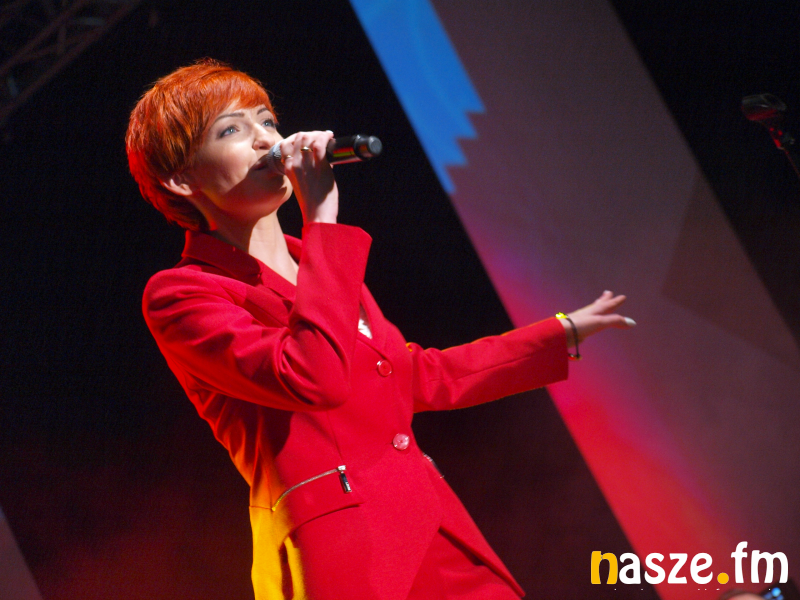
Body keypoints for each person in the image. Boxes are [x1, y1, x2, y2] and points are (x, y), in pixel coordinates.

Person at [126, 59, 636, 600]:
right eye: (232, 130)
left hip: (436, 532)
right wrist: (322, 221)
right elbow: (312, 378)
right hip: (346, 557)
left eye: (267, 121)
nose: (266, 140)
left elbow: (416, 376)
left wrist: (560, 335)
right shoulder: (184, 294)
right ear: (180, 179)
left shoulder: (317, 264)